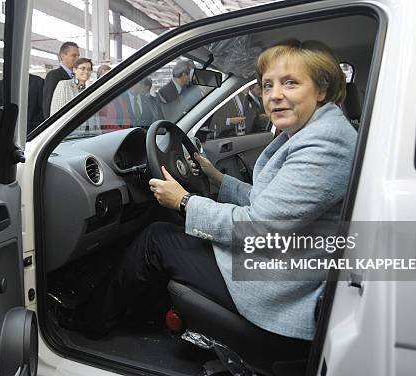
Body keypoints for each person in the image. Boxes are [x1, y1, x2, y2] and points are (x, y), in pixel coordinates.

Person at [78, 39, 357, 353]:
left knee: (157, 238)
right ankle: (137, 313)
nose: (274, 95)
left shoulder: (325, 144)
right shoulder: (319, 131)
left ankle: (87, 326)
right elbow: (272, 203)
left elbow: (258, 226)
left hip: (276, 283)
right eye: (267, 85)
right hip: (283, 261)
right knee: (168, 232)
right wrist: (218, 178)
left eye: (290, 83)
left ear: (321, 90)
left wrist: (183, 201)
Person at [42, 42, 80, 118]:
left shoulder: (77, 77)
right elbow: (48, 104)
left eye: (78, 56)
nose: (77, 59)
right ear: (63, 56)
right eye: (74, 55)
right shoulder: (53, 75)